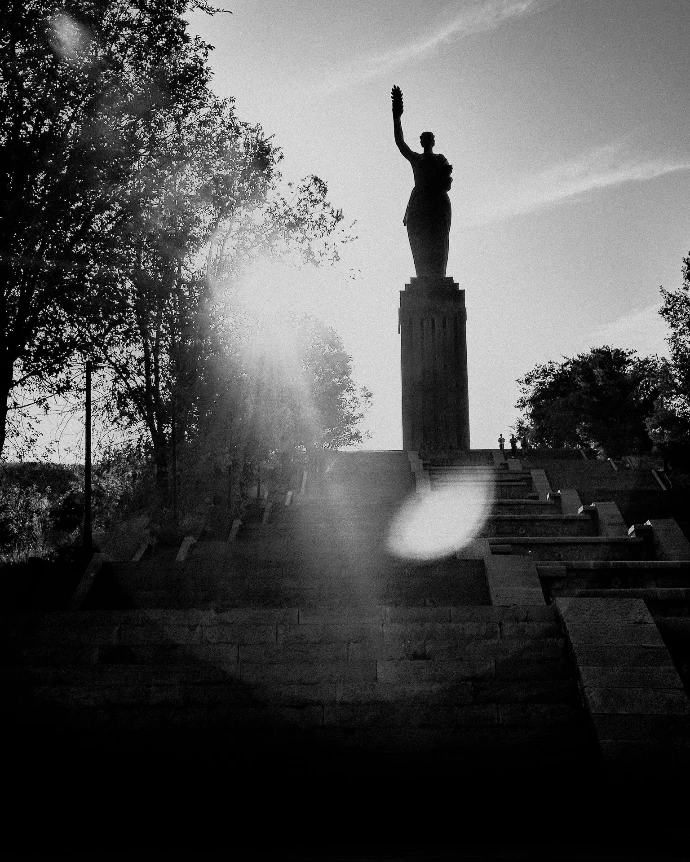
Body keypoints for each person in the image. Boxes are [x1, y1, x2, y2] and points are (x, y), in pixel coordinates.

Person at [392, 85, 452, 277]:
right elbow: (400, 143)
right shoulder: (416, 159)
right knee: (419, 243)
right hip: (419, 204)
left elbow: (447, 182)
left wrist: (442, 180)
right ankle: (423, 279)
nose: (426, 140)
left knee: (439, 242)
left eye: (429, 138)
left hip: (438, 204)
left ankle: (438, 278)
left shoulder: (440, 159)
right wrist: (397, 117)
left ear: (432, 142)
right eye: (424, 138)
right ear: (421, 142)